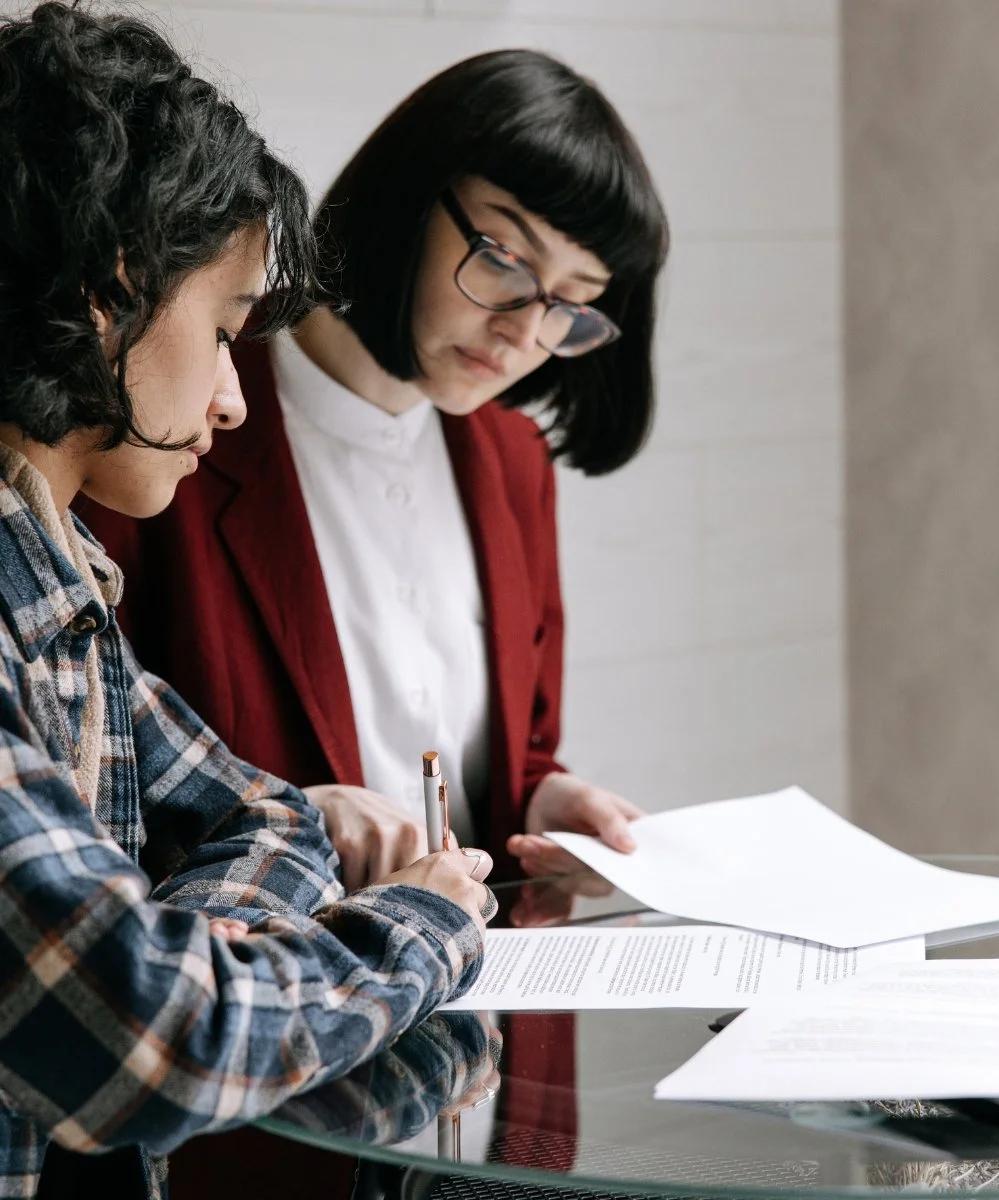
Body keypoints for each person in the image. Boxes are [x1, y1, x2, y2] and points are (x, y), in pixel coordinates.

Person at [85, 47, 668, 1198]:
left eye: (573, 307)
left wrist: (549, 797)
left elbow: (501, 742)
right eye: (503, 258)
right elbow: (107, 792)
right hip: (265, 1093)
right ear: (409, 196)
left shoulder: (509, 459)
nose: (523, 331)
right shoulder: (180, 428)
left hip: (471, 1064)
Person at [0, 6, 494, 1197]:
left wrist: (189, 949)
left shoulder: (65, 591)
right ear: (114, 295)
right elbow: (158, 1045)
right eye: (224, 329)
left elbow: (279, 823)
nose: (232, 400)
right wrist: (419, 926)